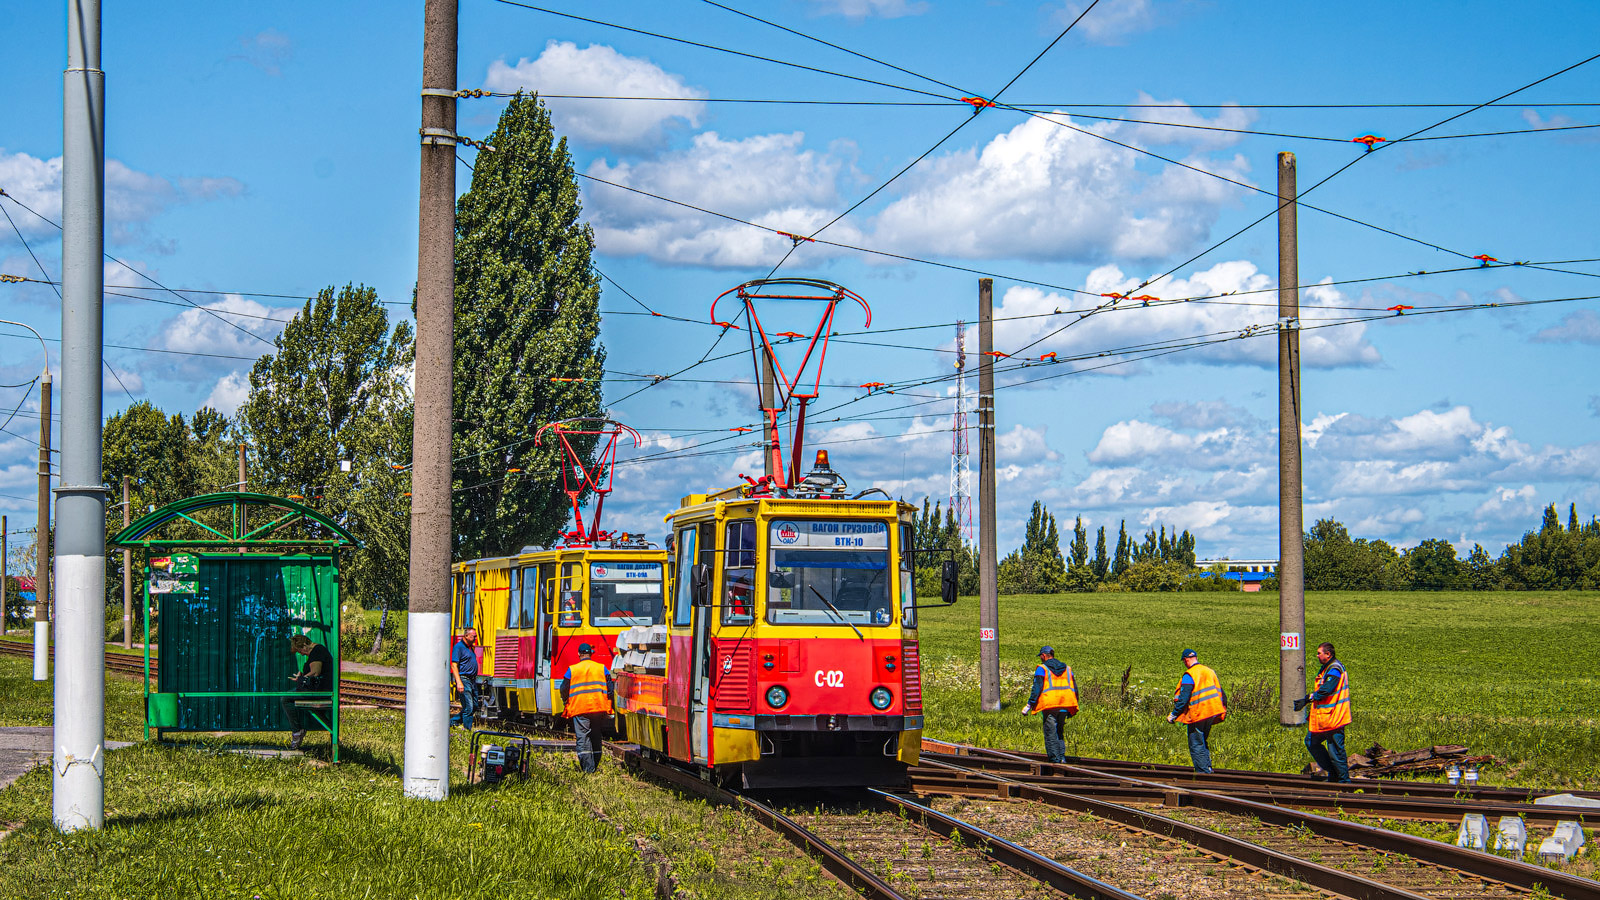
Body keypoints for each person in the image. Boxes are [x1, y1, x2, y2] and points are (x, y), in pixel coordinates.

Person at [1294, 641, 1351, 783]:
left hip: (1334, 717)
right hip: (1325, 719)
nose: (1317, 655)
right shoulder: (1327, 668)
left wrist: (1309, 698)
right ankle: (1333, 773)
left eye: (1319, 653)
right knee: (1311, 742)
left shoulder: (1334, 668)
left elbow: (1327, 689)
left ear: (1328, 654)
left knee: (1336, 751)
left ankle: (1344, 781)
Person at [1166, 648, 1227, 774]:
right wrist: (1223, 709)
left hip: (1197, 713)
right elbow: (1223, 694)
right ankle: (1208, 768)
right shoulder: (1210, 671)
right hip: (1212, 711)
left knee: (1196, 743)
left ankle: (1203, 773)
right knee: (1202, 741)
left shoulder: (1190, 674)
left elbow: (1184, 698)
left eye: (1184, 661)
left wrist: (1173, 715)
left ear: (1186, 660)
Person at [560, 642, 615, 773]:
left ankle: (588, 769)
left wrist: (566, 701)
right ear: (591, 654)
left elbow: (563, 688)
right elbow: (611, 689)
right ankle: (595, 765)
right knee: (596, 734)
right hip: (598, 708)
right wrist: (607, 704)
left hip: (580, 708)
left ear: (579, 654)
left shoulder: (572, 669)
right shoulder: (602, 668)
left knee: (583, 737)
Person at [1021, 645, 1078, 764]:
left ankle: (1055, 761)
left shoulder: (1042, 669)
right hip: (1065, 704)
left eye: (1041, 656)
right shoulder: (1067, 669)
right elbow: (1075, 688)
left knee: (1050, 733)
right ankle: (1062, 758)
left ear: (1043, 656)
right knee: (1059, 732)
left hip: (1050, 705)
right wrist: (1073, 707)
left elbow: (1037, 688)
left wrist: (1029, 705)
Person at [281, 633, 332, 750]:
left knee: (285, 698)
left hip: (319, 691)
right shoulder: (317, 651)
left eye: (301, 651)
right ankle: (297, 731)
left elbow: (315, 672)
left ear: (305, 645)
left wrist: (301, 678)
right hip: (318, 688)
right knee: (287, 696)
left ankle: (297, 731)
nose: (302, 654)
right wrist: (302, 676)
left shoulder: (317, 651)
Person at [450, 627, 480, 729]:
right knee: (469, 707)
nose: (475, 638)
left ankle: (453, 722)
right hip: (464, 679)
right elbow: (454, 665)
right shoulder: (458, 647)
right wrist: (459, 682)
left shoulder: (470, 647)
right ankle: (467, 730)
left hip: (472, 680)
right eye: (473, 636)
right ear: (466, 636)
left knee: (475, 705)